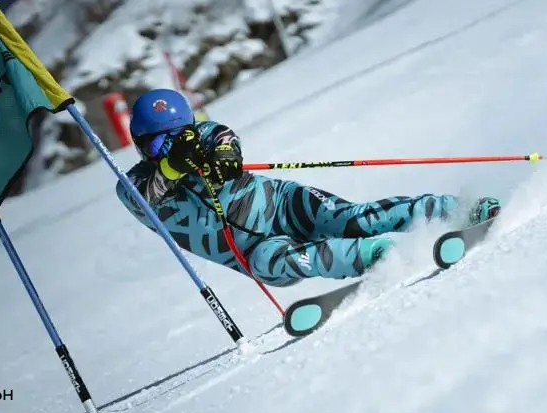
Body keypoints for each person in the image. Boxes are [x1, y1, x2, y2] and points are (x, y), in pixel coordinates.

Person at [116, 88, 501, 287]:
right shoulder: (133, 185)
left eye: (178, 136)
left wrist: (222, 157)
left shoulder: (207, 135)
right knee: (277, 261)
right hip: (253, 249)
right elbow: (145, 198)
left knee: (350, 218)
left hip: (280, 203)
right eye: (156, 142)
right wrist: (171, 164)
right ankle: (377, 256)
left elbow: (225, 139)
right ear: (139, 143)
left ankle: (460, 207)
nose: (170, 146)